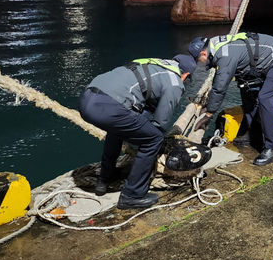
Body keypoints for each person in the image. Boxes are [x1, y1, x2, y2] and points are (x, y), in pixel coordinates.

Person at [79, 54, 196, 210]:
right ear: (186, 75)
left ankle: (105, 178)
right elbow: (160, 124)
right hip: (108, 106)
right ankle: (132, 195)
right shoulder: (175, 83)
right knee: (153, 139)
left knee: (118, 128)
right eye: (187, 80)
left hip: (87, 98)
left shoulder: (154, 65)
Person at [188, 33, 273, 166]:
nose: (201, 64)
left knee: (265, 99)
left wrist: (209, 113)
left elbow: (220, 87)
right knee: (247, 92)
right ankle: (253, 135)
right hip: (261, 61)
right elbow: (219, 79)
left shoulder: (225, 55)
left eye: (199, 60)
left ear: (203, 54)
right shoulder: (215, 47)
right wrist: (209, 104)